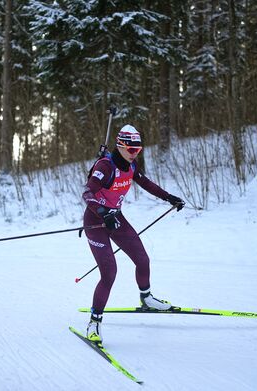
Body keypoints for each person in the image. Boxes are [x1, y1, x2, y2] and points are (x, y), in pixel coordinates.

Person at [81, 124, 185, 342]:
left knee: (142, 259)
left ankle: (146, 298)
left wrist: (169, 197)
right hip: (95, 221)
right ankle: (94, 322)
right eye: (131, 150)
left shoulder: (130, 166)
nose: (134, 154)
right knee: (109, 273)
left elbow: (145, 182)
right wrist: (102, 212)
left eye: (138, 150)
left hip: (115, 218)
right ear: (120, 146)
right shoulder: (105, 166)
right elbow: (87, 192)